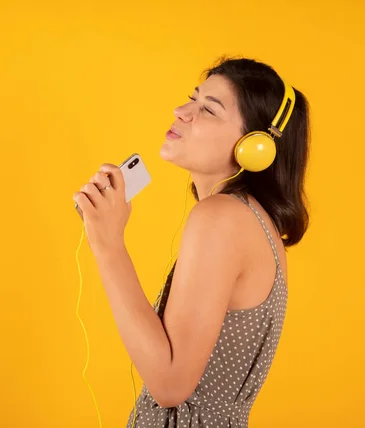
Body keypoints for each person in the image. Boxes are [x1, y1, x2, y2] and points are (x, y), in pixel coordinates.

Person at [72, 56, 311, 427]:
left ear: (255, 147)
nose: (181, 111)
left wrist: (108, 244)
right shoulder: (246, 219)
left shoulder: (220, 218)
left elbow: (169, 383)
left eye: (208, 109)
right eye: (192, 98)